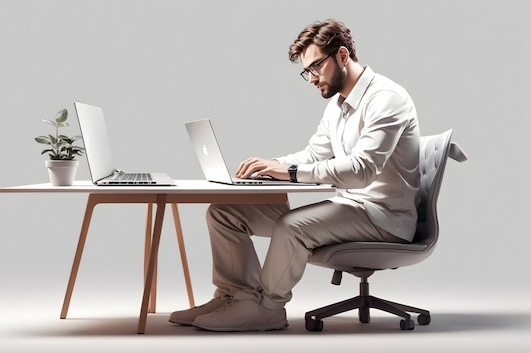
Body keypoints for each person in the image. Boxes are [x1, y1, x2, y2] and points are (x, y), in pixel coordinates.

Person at [169, 18, 421, 332]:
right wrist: (270, 166)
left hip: (384, 218)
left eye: (316, 67)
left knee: (292, 226)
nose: (312, 78)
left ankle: (268, 309)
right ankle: (236, 296)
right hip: (350, 209)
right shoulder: (338, 106)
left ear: (343, 56)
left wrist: (288, 172)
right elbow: (313, 155)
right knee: (225, 212)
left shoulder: (386, 99)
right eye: (307, 71)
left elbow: (361, 172)